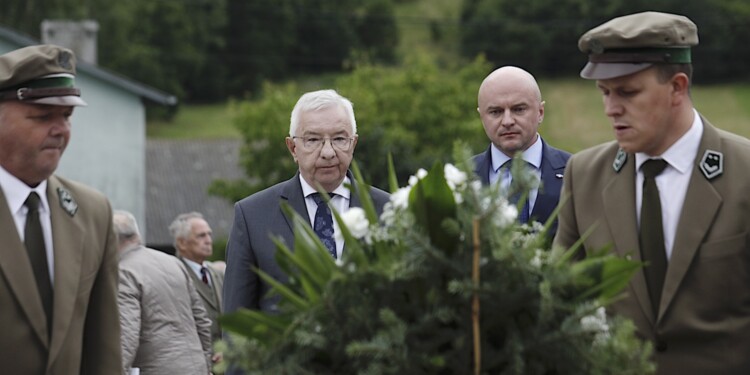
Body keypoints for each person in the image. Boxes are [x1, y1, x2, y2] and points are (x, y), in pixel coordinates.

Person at [554, 11, 750, 374]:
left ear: (677, 87)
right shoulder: (584, 176)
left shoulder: (744, 173)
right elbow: (558, 302)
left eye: (627, 92)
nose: (611, 109)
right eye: (605, 93)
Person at [0, 44, 121, 373]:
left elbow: (104, 350)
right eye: (42, 117)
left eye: (67, 116)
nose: (61, 130)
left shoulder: (92, 211)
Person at [223, 89, 390, 313]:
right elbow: (237, 318)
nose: (328, 152)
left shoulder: (388, 210)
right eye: (313, 140)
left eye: (340, 139)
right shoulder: (253, 215)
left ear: (353, 144)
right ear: (293, 147)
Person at [473, 66, 570, 236]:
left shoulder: (576, 173)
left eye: (518, 109)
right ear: (482, 117)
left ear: (540, 112)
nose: (507, 121)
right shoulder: (460, 179)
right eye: (496, 112)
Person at [114, 210, 213, 375]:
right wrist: (206, 363)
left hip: (157, 369)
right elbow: (201, 320)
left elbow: (127, 335)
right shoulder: (173, 262)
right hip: (196, 366)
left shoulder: (124, 272)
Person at [170, 211, 225, 367]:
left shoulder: (217, 274)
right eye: (201, 236)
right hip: (193, 364)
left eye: (209, 234)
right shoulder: (174, 275)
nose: (208, 240)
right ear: (182, 243)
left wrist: (228, 349)